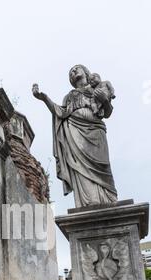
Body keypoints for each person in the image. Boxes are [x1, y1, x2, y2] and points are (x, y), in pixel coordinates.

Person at [32, 65, 118, 207]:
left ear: (85, 72)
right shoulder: (70, 96)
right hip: (75, 133)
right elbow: (59, 112)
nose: (73, 72)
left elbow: (107, 113)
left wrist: (105, 100)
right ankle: (89, 202)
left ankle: (108, 197)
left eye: (76, 69)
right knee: (81, 169)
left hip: (96, 132)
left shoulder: (98, 88)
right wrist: (44, 98)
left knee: (103, 167)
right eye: (70, 72)